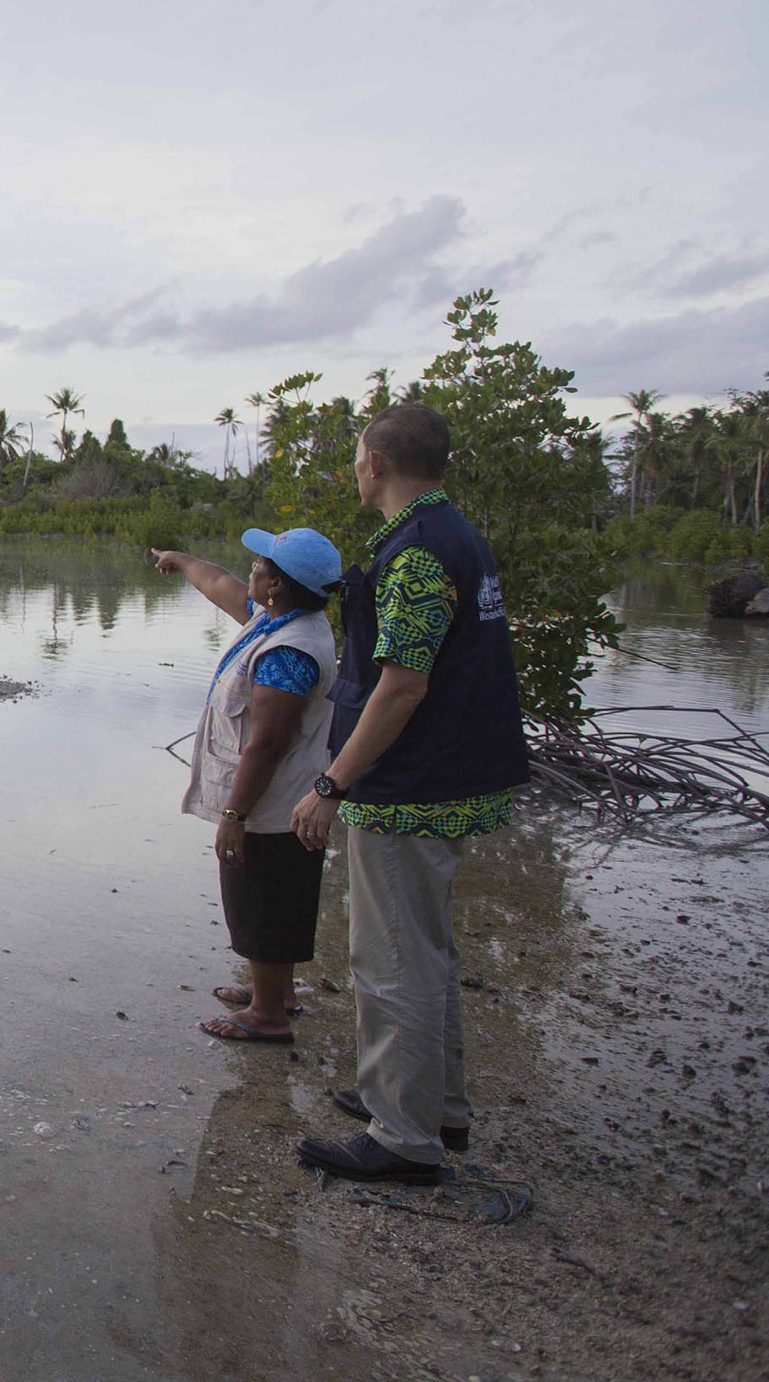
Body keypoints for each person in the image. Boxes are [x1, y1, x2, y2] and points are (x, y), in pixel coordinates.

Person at [290, 403, 529, 1184]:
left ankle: (403, 1138)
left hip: (412, 788)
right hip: (446, 777)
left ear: (377, 464)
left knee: (392, 959)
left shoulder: (421, 552)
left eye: (357, 456)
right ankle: (433, 1106)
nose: (356, 468)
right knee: (422, 950)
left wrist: (331, 782)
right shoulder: (451, 534)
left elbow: (400, 688)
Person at [155, 528, 342, 1045]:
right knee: (270, 896)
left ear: (277, 585)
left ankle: (268, 1016)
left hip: (273, 802)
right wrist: (179, 554)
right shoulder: (277, 619)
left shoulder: (291, 651)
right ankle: (276, 992)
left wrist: (235, 817)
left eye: (260, 565)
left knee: (263, 898)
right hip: (273, 800)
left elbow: (267, 745)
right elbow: (219, 583)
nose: (251, 569)